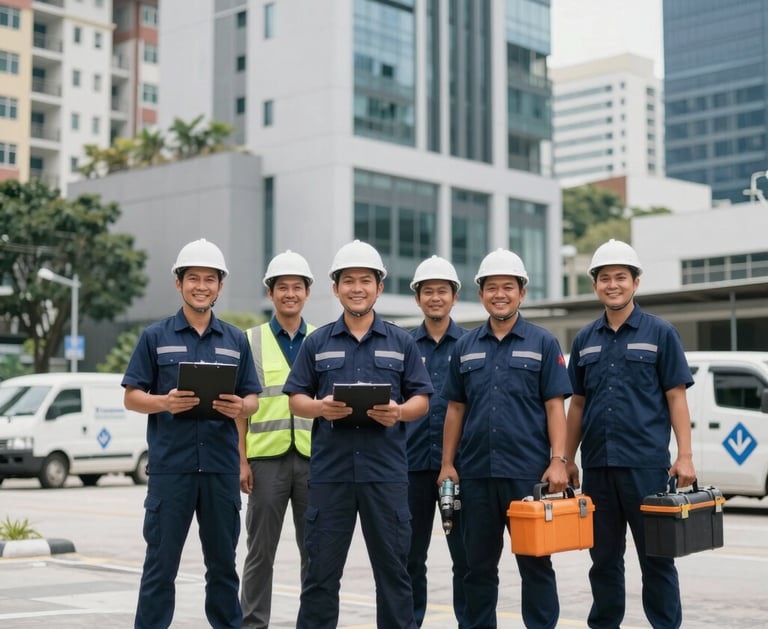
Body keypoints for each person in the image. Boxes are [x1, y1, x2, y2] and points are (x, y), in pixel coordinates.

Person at [283, 239, 433, 629]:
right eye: (348, 280)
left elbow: (422, 400)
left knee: (395, 575)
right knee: (319, 576)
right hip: (331, 476)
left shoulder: (401, 341)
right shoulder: (317, 342)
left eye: (365, 280)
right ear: (335, 289)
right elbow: (295, 398)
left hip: (385, 476)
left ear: (379, 288)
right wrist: (320, 407)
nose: (356, 288)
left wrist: (398, 412)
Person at [122, 238, 261, 629]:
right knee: (160, 568)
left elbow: (252, 398)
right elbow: (132, 397)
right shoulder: (155, 337)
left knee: (222, 569)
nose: (202, 286)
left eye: (210, 279)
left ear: (220, 285)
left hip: (219, 470)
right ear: (179, 283)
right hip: (171, 471)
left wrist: (241, 407)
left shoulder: (236, 340)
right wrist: (164, 402)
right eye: (194, 278)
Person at [565, 238, 696, 629]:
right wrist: (566, 459)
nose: (612, 285)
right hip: (599, 468)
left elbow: (676, 397)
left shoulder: (661, 334)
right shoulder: (585, 340)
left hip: (646, 468)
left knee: (657, 558)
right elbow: (578, 405)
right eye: (604, 278)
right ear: (595, 286)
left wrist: (684, 455)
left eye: (620, 277)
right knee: (603, 559)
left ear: (635, 282)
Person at [438, 248, 572, 629]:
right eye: (492, 287)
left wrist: (558, 460)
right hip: (476, 475)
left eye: (508, 287)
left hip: (527, 476)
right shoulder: (464, 347)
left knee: (536, 565)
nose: (500, 294)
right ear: (480, 294)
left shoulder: (543, 343)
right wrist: (448, 464)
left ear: (522, 293)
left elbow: (554, 406)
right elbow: (456, 410)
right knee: (477, 568)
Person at [240, 250, 316, 628]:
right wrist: (242, 461)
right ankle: (253, 623)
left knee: (316, 553)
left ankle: (313, 621)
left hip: (313, 462)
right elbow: (239, 409)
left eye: (296, 287)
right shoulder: (249, 341)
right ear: (270, 293)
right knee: (259, 553)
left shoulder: (322, 340)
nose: (290, 293)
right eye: (282, 287)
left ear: (307, 293)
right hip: (265, 463)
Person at [406, 255, 469, 627]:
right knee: (410, 557)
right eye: (427, 291)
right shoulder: (402, 345)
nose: (434, 298)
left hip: (458, 470)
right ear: (417, 298)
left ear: (454, 297)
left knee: (465, 557)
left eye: (441, 291)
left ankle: (468, 622)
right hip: (410, 465)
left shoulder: (471, 344)